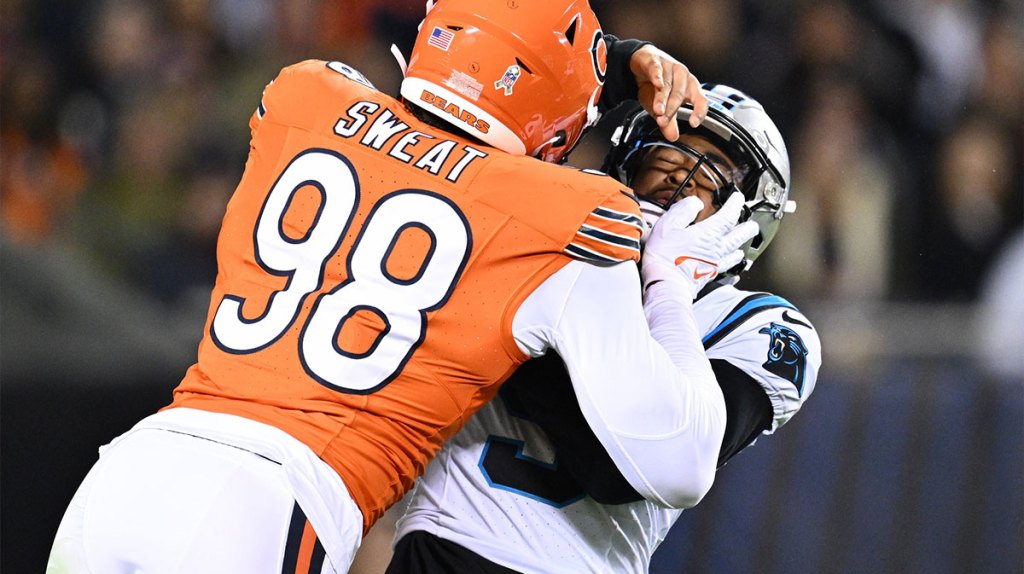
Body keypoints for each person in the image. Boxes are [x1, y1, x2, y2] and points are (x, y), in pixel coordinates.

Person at [47, 2, 757, 572]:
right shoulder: (565, 212)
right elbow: (680, 462)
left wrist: (610, 61)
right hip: (270, 503)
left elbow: (482, 69)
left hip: (132, 468)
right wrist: (663, 279)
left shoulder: (303, 94)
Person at [387, 85, 822, 573]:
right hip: (445, 544)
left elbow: (626, 469)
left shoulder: (761, 325)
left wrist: (666, 287)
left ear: (751, 216)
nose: (682, 172)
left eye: (714, 170)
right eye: (667, 150)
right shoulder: (550, 244)